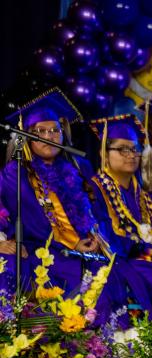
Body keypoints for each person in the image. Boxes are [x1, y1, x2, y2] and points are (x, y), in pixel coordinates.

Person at [1, 89, 116, 319]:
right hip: (41, 251)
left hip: (85, 253)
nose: (49, 136)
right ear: (25, 136)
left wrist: (95, 236)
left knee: (112, 275)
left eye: (54, 130)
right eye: (40, 131)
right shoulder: (15, 173)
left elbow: (98, 212)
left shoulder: (79, 167)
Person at [89, 114, 152, 314]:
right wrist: (148, 255)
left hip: (148, 266)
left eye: (134, 149)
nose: (131, 155)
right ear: (104, 152)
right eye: (122, 149)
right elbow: (108, 240)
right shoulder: (92, 192)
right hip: (117, 265)